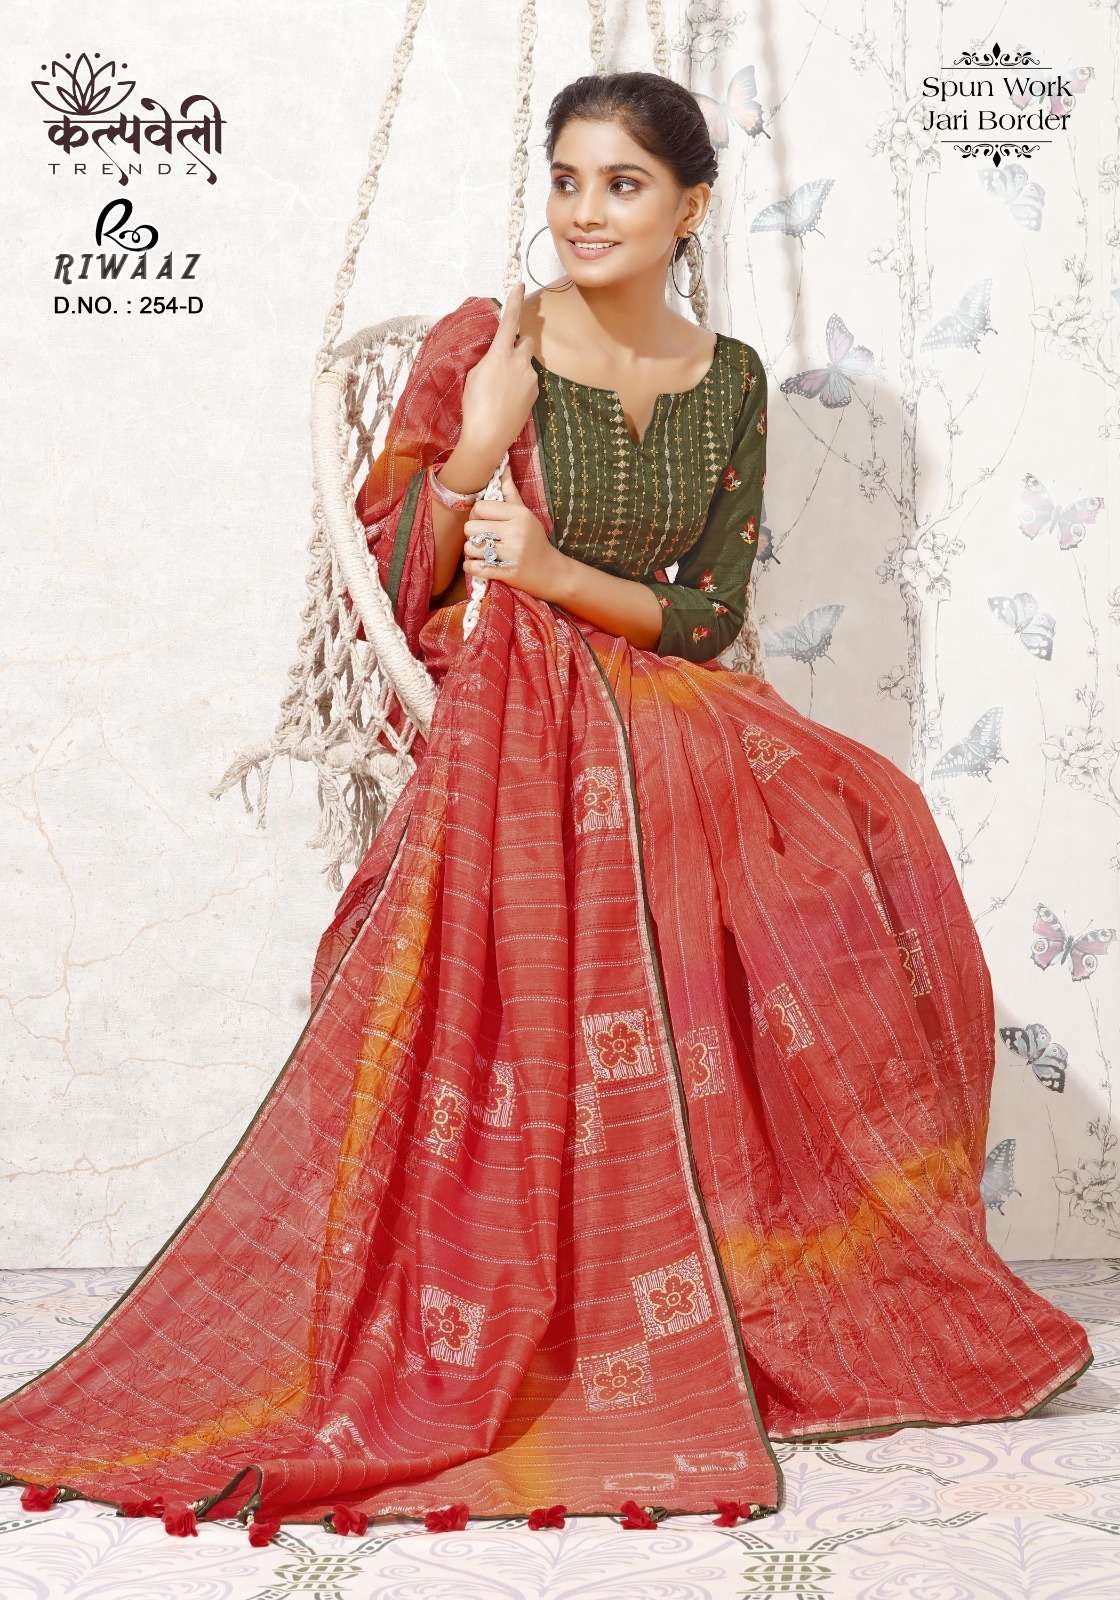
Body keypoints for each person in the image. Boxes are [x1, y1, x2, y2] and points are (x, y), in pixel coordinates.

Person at [0, 71, 1093, 1544]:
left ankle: (800, 1270)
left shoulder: (731, 379)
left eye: (623, 185)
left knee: (870, 818)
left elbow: (710, 616)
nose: (585, 212)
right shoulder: (491, 342)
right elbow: (390, 582)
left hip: (654, 683)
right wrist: (475, 445)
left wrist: (567, 577)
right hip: (516, 688)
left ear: (690, 207)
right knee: (673, 810)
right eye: (567, 179)